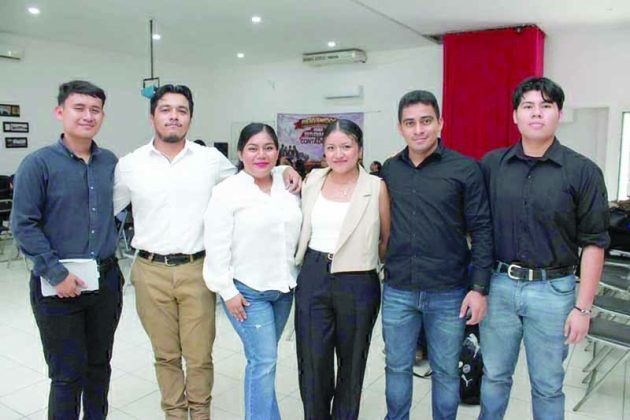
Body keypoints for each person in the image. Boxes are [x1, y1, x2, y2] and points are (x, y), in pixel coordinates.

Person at [113, 84, 301, 420]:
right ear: (152, 116)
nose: (174, 116)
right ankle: (175, 414)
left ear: (190, 117)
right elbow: (103, 213)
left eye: (181, 110)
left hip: (195, 268)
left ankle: (201, 415)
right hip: (150, 270)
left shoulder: (210, 160)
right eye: (166, 109)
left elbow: (251, 173)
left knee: (199, 356)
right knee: (166, 355)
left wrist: (282, 169)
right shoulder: (130, 165)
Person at [479, 77, 610, 420]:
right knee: (493, 377)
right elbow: (478, 230)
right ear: (515, 116)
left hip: (554, 292)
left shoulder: (583, 172)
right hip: (499, 286)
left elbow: (594, 243)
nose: (536, 113)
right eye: (528, 106)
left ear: (559, 114)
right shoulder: (492, 165)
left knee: (548, 385)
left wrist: (583, 309)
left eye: (546, 106)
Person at [11, 80, 124, 419]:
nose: (88, 116)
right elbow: (23, 224)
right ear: (60, 112)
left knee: (99, 367)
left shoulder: (109, 162)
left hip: (104, 282)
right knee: (67, 375)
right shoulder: (38, 164)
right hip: (57, 286)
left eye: (95, 110)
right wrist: (56, 274)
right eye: (79, 108)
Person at [380, 90, 494, 420]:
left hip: (449, 292)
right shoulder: (390, 169)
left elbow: (482, 230)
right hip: (399, 289)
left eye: (426, 121)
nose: (419, 130)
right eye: (410, 123)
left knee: (445, 372)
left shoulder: (465, 169)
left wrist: (479, 288)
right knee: (396, 367)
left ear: (440, 123)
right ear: (400, 127)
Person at [203, 123, 302, 420]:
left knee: (263, 360)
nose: (261, 155)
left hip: (283, 289)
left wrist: (286, 169)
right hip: (246, 293)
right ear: (240, 152)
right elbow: (216, 245)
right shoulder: (227, 192)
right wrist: (227, 291)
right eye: (253, 148)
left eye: (268, 148)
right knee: (264, 361)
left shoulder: (287, 185)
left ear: (278, 152)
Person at [294, 119, 390, 420]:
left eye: (346, 146)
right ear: (323, 151)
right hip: (314, 274)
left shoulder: (375, 187)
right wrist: (284, 170)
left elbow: (385, 238)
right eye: (331, 148)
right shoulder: (312, 180)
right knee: (313, 360)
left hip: (358, 280)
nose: (339, 154)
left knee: (352, 362)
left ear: (359, 149)